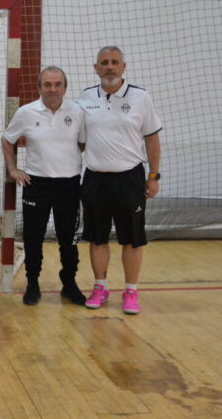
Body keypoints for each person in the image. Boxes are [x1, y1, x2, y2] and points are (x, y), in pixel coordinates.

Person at [77, 46, 162, 314]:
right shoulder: (85, 97)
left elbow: (152, 138)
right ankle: (100, 287)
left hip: (130, 179)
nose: (109, 67)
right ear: (96, 68)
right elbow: (79, 140)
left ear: (123, 67)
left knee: (132, 239)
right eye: (104, 63)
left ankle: (131, 292)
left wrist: (153, 177)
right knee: (97, 238)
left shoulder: (141, 97)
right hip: (95, 180)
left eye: (115, 62)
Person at [2, 66, 87, 306]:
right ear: (39, 88)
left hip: (69, 185)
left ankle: (69, 284)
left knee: (68, 239)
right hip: (36, 184)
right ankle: (32, 284)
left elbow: (81, 144)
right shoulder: (26, 113)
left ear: (65, 87)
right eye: (47, 85)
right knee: (33, 238)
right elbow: (7, 140)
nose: (52, 89)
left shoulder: (78, 113)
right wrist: (13, 169)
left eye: (57, 84)